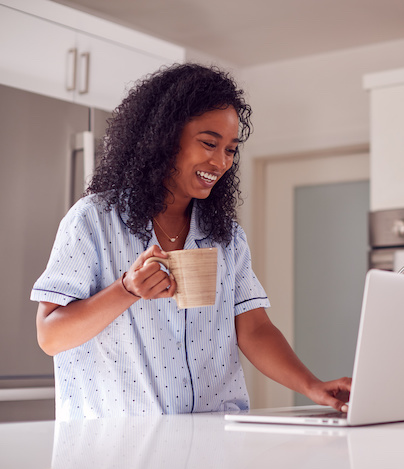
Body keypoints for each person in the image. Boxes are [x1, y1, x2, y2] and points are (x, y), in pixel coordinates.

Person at [31, 63, 351, 420]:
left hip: (212, 443)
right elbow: (50, 336)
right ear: (164, 138)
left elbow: (255, 328)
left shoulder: (225, 237)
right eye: (209, 143)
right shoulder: (93, 220)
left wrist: (311, 386)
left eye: (231, 149)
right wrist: (127, 290)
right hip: (119, 451)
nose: (221, 161)